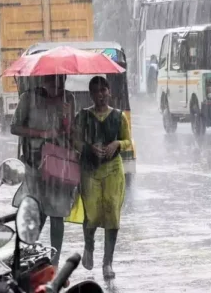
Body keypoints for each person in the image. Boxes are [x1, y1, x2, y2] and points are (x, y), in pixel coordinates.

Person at [11, 74, 76, 267]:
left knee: (57, 213)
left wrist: (67, 119)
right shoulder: (28, 98)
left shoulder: (68, 99)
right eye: (53, 82)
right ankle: (28, 257)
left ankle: (54, 263)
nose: (57, 86)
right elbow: (14, 127)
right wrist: (42, 134)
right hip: (34, 163)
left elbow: (71, 132)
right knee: (34, 211)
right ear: (44, 82)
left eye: (62, 81)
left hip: (59, 164)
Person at [73, 76, 130, 280]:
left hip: (114, 170)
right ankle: (89, 246)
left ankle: (108, 262)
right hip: (90, 170)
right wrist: (89, 148)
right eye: (96, 91)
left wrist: (117, 145)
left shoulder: (118, 116)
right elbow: (75, 141)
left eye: (103, 90)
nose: (100, 95)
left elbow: (128, 141)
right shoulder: (83, 116)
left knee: (112, 213)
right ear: (90, 95)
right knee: (93, 214)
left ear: (109, 92)